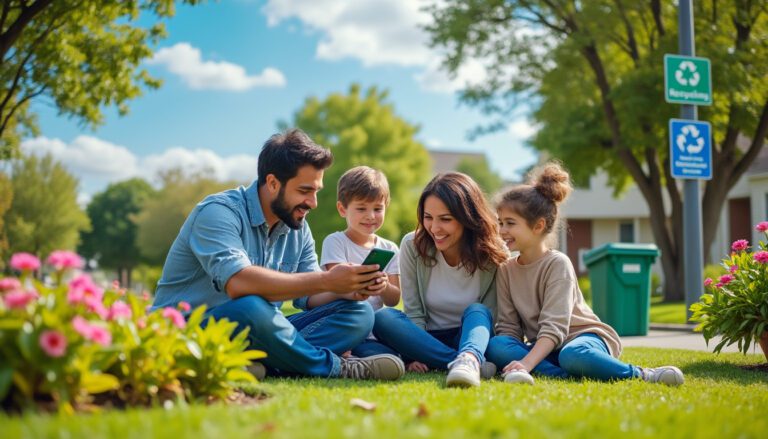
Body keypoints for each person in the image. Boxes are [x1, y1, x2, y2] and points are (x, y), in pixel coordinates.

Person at [151, 129, 404, 381]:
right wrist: (327, 280)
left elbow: (309, 294)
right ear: (273, 183)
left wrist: (346, 287)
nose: (313, 202)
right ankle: (337, 368)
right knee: (252, 305)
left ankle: (252, 363)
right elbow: (239, 283)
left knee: (359, 313)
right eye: (305, 191)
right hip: (191, 329)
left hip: (260, 329)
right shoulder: (218, 213)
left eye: (316, 191)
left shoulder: (297, 226)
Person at [487, 162, 684, 386]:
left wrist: (526, 363)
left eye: (510, 223)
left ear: (538, 226)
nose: (502, 231)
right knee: (497, 345)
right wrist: (511, 353)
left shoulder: (557, 264)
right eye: (500, 223)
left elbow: (554, 328)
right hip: (548, 349)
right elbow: (509, 328)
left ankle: (641, 374)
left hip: (583, 340)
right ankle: (569, 374)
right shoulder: (506, 269)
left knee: (572, 355)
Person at [371, 172, 509, 387]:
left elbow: (491, 314)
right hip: (426, 339)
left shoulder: (494, 252)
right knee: (383, 317)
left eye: (445, 219)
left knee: (478, 311)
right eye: (428, 217)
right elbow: (414, 309)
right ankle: (467, 363)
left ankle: (469, 356)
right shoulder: (412, 245)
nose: (435, 229)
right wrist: (415, 350)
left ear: (467, 218)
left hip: (471, 336)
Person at [316, 166, 401, 357]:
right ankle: (349, 354)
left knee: (391, 338)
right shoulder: (335, 241)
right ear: (342, 209)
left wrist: (385, 286)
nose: (370, 216)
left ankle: (382, 356)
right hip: (345, 322)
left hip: (375, 332)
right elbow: (338, 286)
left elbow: (394, 300)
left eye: (378, 209)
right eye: (361, 208)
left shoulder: (390, 248)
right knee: (379, 353)